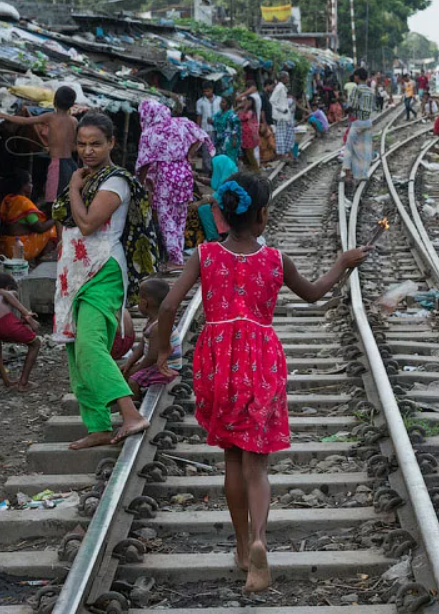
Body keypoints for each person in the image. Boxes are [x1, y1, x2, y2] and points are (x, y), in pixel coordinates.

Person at [151, 172, 370, 593]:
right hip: (262, 360)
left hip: (217, 361)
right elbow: (313, 293)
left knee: (232, 457)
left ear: (223, 215)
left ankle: (238, 545)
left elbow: (167, 306)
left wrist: (162, 353)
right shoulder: (275, 259)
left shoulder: (205, 255)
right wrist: (343, 263)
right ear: (263, 215)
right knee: (258, 462)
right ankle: (259, 541)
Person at [51, 111, 160, 449]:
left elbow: (86, 224)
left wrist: (72, 187)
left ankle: (130, 414)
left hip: (103, 272)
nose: (88, 151)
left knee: (90, 348)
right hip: (75, 275)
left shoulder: (115, 182)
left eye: (96, 144)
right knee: (75, 352)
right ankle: (97, 424)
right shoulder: (88, 177)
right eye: (81, 144)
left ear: (112, 143)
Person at [137, 100, 213, 271]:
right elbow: (201, 137)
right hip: (184, 172)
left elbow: (144, 163)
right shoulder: (181, 123)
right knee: (180, 213)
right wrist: (188, 154)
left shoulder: (150, 133)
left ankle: (176, 259)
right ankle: (177, 253)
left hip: (165, 175)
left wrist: (139, 183)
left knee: (165, 215)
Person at [0, 86, 78, 202]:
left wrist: (4, 116)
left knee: (54, 199)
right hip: (70, 164)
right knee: (67, 196)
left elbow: (25, 121)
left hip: (57, 165)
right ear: (72, 104)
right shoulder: (74, 121)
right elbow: (73, 146)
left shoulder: (51, 117)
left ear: (54, 101)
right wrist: (53, 148)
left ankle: (50, 219)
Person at [120, 277, 182, 397]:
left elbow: (152, 357)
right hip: (156, 364)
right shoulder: (151, 321)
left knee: (133, 380)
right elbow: (142, 346)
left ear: (145, 302)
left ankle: (136, 404)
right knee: (126, 372)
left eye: (139, 299)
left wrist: (136, 370)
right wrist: (129, 362)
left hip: (167, 367)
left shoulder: (158, 326)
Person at [0, 171, 58, 263]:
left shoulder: (9, 199)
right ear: (23, 186)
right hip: (19, 250)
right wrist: (56, 218)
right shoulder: (23, 203)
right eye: (30, 182)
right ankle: (44, 258)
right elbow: (40, 228)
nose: (32, 185)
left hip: (5, 246)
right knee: (52, 229)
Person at [343, 68, 377, 184]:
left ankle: (348, 174)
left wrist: (346, 110)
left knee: (349, 147)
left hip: (358, 122)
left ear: (357, 77)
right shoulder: (370, 90)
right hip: (367, 122)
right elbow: (373, 106)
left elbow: (352, 105)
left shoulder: (356, 90)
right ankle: (363, 174)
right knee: (365, 149)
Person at [270, 72, 297, 163]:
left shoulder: (282, 88)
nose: (288, 79)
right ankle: (282, 155)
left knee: (288, 135)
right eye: (287, 77)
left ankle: (288, 154)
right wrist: (282, 109)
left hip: (286, 116)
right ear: (283, 78)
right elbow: (272, 100)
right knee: (281, 136)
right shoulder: (279, 88)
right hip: (281, 116)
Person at [213, 95, 243, 165]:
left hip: (229, 140)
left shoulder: (231, 114)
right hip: (220, 139)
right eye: (221, 102)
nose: (220, 104)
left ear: (228, 105)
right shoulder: (219, 113)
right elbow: (214, 121)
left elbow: (236, 125)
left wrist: (235, 139)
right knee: (221, 158)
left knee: (230, 158)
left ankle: (231, 174)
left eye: (223, 102)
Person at [237, 95, 260, 172]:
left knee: (250, 153)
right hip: (243, 135)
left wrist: (245, 107)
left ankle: (256, 171)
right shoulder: (242, 110)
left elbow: (243, 118)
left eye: (247, 101)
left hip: (249, 136)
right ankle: (249, 170)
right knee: (244, 153)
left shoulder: (250, 111)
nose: (245, 102)